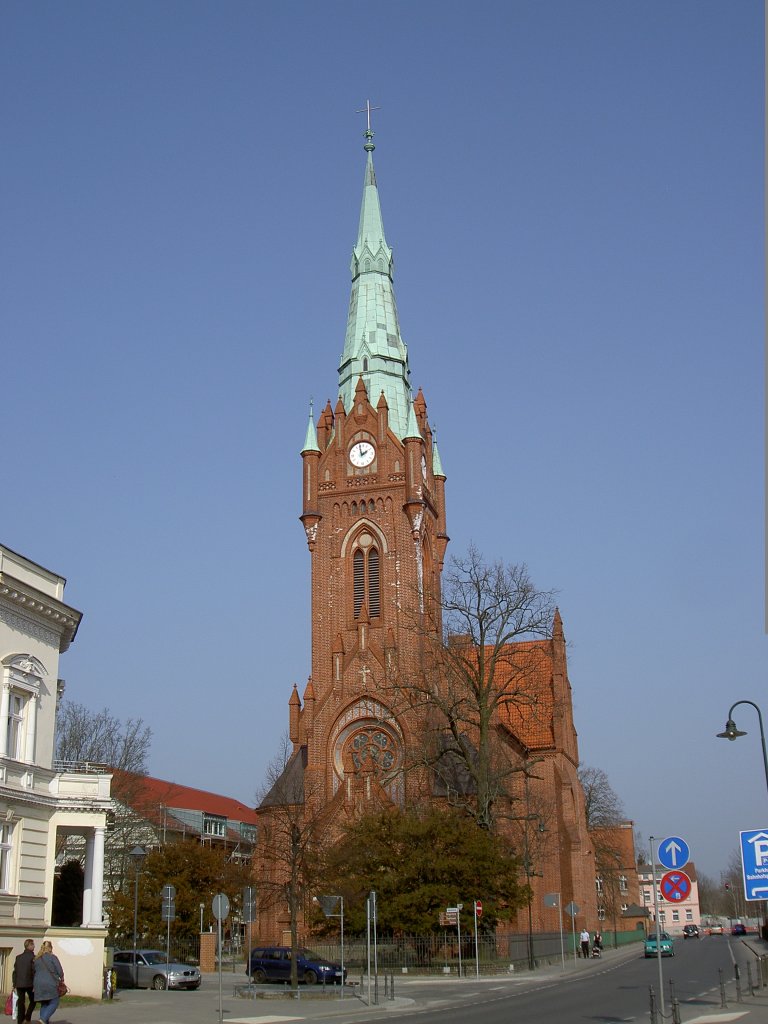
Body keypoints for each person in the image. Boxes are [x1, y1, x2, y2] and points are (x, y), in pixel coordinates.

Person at [32, 941, 65, 1024]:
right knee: (54, 1001)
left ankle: (43, 1021)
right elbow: (59, 970)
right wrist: (62, 978)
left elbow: (34, 971)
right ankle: (42, 1020)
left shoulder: (37, 959)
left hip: (38, 983)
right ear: (50, 948)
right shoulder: (53, 957)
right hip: (50, 983)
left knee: (44, 1003)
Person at [12, 940, 35, 1023]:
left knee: (21, 1003)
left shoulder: (18, 957)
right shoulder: (33, 957)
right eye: (33, 945)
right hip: (30, 983)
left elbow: (15, 971)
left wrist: (14, 983)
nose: (34, 947)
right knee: (33, 1000)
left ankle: (20, 1021)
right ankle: (27, 1017)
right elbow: (34, 971)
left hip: (19, 983)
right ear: (29, 946)